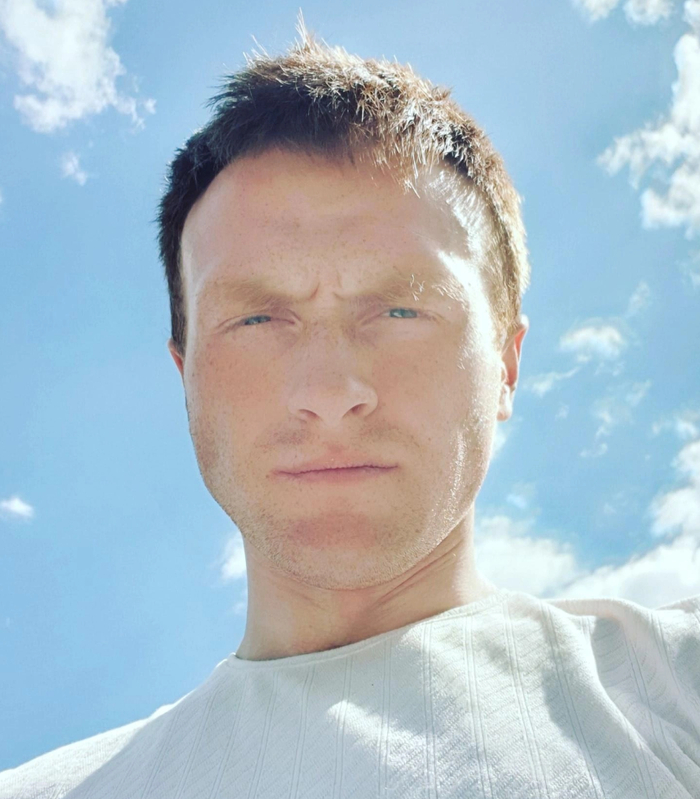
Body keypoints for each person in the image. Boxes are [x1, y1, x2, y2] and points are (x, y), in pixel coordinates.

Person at [2, 19, 699, 799]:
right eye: (256, 318)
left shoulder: (678, 688)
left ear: (505, 364)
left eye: (400, 309)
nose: (329, 391)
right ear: (186, 374)